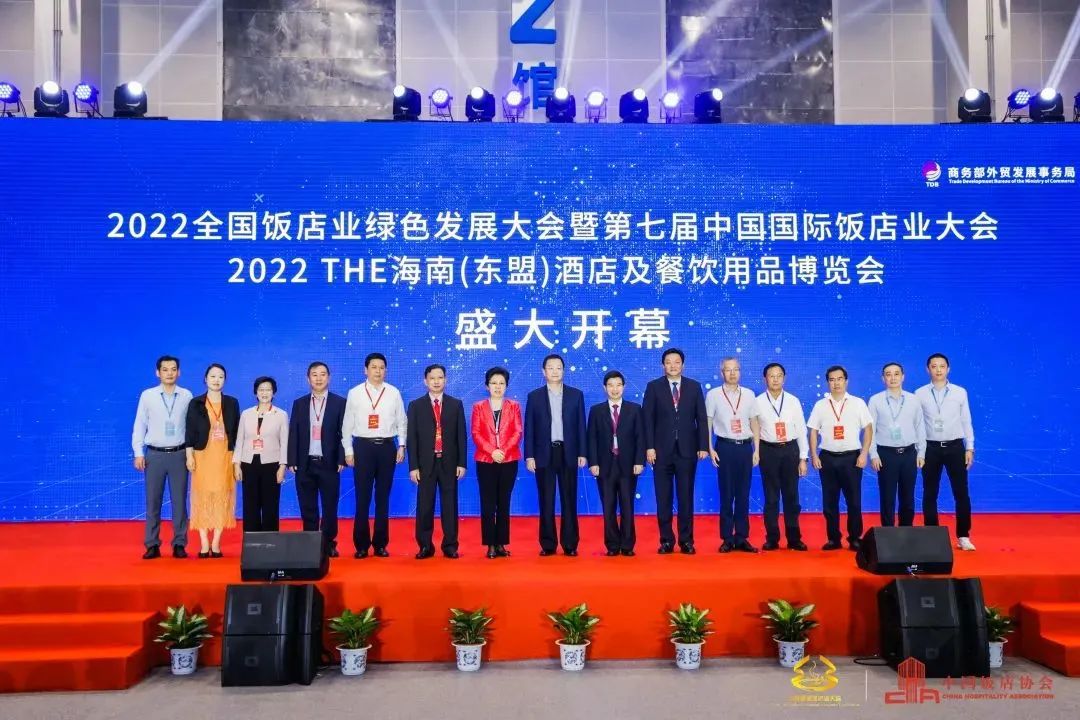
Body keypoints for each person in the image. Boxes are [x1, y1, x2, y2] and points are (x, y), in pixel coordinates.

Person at [643, 348, 709, 554]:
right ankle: (666, 541)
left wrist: (703, 446)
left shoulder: (694, 386)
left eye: (677, 362)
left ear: (683, 365)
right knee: (663, 498)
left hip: (687, 451)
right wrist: (649, 447)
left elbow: (701, 418)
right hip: (661, 452)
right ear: (663, 365)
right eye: (668, 362)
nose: (673, 365)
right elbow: (647, 420)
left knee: (685, 497)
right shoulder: (653, 387)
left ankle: (686, 541)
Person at [343, 352, 407, 558]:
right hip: (363, 447)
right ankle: (361, 545)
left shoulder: (393, 392)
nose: (378, 371)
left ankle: (380, 544)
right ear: (366, 370)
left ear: (385, 370)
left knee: (382, 498)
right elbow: (347, 424)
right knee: (362, 498)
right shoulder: (355, 393)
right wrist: (348, 450)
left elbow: (402, 421)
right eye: (374, 367)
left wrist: (402, 445)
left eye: (381, 367)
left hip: (387, 447)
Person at [524, 354, 587, 556]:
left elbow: (581, 426)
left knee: (569, 499)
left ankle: (570, 544)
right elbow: (529, 428)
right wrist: (529, 456)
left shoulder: (576, 395)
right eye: (550, 368)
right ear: (543, 372)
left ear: (563, 371)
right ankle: (548, 544)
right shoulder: (534, 396)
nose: (554, 371)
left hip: (568, 452)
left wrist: (582, 452)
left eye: (558, 367)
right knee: (546, 500)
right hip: (544, 453)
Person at [132, 355, 193, 559]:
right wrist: (138, 452)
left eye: (173, 369)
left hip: (179, 455)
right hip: (154, 455)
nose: (169, 373)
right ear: (157, 372)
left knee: (179, 502)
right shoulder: (148, 395)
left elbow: (191, 427)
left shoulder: (186, 395)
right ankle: (152, 544)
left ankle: (179, 543)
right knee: (153, 501)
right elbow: (140, 424)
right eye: (165, 369)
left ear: (179, 372)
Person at [807, 366, 874, 551]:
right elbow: (813, 431)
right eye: (832, 379)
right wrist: (814, 455)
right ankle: (833, 539)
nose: (836, 383)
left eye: (839, 379)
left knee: (854, 501)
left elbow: (868, 429)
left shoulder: (858, 403)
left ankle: (855, 537)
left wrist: (864, 453)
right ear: (827, 382)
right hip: (827, 458)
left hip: (852, 458)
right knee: (830, 502)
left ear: (846, 381)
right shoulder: (820, 405)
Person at [916, 353, 976, 551]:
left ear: (948, 369)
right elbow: (917, 425)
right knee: (929, 492)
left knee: (961, 493)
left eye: (942, 366)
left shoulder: (960, 392)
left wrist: (969, 446)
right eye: (934, 366)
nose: (938, 370)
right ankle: (932, 536)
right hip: (930, 448)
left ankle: (963, 536)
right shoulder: (919, 394)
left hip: (955, 447)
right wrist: (920, 451)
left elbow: (966, 419)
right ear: (928, 369)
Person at [406, 364, 467, 559]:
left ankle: (450, 546)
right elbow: (412, 439)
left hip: (449, 463)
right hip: (425, 464)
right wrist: (413, 466)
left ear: (445, 380)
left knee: (450, 506)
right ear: (425, 381)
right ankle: (425, 546)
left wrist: (462, 463)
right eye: (432, 378)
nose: (436, 381)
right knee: (424, 506)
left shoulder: (455, 405)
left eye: (440, 378)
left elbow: (461, 437)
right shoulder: (415, 406)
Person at [287, 361, 347, 557]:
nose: (319, 378)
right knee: (308, 506)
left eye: (322, 374)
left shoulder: (340, 403)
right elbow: (294, 432)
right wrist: (292, 459)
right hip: (305, 463)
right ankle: (310, 544)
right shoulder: (300, 403)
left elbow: (344, 433)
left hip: (330, 463)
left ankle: (328, 544)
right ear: (308, 379)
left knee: (330, 506)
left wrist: (341, 458)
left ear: (329, 378)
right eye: (314, 374)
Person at [586, 371, 645, 557]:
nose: (615, 389)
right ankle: (612, 545)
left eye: (618, 385)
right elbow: (591, 438)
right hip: (605, 466)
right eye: (610, 385)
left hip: (628, 465)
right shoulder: (596, 410)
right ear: (604, 388)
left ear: (624, 387)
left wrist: (639, 461)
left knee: (627, 506)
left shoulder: (635, 409)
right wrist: (593, 463)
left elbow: (640, 437)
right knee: (608, 506)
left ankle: (627, 545)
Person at [751, 363, 808, 551]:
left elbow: (801, 430)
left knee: (792, 497)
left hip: (790, 450)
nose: (775, 379)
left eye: (779, 376)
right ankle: (772, 538)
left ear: (784, 378)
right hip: (768, 451)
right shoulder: (757, 402)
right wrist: (756, 451)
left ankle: (794, 538)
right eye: (771, 376)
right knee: (771, 497)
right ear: (765, 379)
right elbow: (754, 430)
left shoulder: (793, 401)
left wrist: (803, 458)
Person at [185, 363, 240, 558]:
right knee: (202, 497)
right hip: (202, 456)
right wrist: (189, 456)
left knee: (222, 496)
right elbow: (190, 432)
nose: (217, 380)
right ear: (205, 379)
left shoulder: (232, 403)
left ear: (225, 380)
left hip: (225, 456)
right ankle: (203, 542)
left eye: (221, 377)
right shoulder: (196, 403)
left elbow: (237, 433)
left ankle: (216, 542)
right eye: (213, 376)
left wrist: (237, 460)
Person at [705, 357, 759, 553]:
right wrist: (709, 448)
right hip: (724, 447)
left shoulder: (749, 394)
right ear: (722, 373)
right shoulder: (713, 395)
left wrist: (757, 449)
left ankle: (742, 537)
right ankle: (727, 538)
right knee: (726, 494)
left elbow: (754, 422)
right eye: (728, 370)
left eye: (736, 369)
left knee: (743, 494)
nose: (732, 373)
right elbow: (707, 422)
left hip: (745, 448)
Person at [471, 367, 522, 559]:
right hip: (485, 460)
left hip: (509, 459)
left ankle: (501, 543)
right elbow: (476, 433)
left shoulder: (514, 406)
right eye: (494, 383)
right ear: (487, 386)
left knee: (504, 502)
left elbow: (517, 432)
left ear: (506, 386)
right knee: (488, 502)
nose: (497, 387)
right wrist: (492, 451)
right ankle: (490, 545)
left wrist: (503, 451)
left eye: (501, 383)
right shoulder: (478, 407)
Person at [868, 362, 926, 527]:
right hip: (886, 454)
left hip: (909, 454)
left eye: (896, 374)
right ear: (883, 378)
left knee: (908, 497)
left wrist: (921, 452)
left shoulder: (913, 400)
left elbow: (920, 427)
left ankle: (906, 531)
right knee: (887, 497)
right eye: (888, 374)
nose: (893, 378)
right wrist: (873, 454)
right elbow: (870, 429)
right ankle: (888, 534)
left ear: (903, 377)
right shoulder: (875, 400)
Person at [234, 376, 289, 533]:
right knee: (250, 504)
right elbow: (240, 440)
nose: (264, 393)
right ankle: (252, 542)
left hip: (271, 464)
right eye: (261, 390)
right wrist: (236, 464)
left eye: (268, 390)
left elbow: (285, 442)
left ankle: (270, 542)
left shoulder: (281, 414)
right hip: (249, 463)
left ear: (274, 392)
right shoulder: (246, 414)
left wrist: (282, 466)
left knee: (270, 504)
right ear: (256, 392)